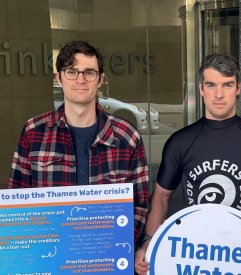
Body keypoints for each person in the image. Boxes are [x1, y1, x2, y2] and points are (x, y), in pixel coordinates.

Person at [134, 54, 241, 274]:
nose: (219, 94)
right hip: (194, 254)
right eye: (211, 85)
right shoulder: (181, 142)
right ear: (202, 89)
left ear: (238, 88)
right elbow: (161, 197)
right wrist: (149, 241)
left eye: (227, 85)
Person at [8, 40, 149, 245]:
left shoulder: (127, 137)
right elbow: (16, 201)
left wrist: (117, 249)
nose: (80, 80)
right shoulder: (33, 132)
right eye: (72, 72)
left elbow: (140, 207)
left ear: (100, 80)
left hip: (106, 261)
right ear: (58, 78)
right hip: (50, 260)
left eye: (89, 72)